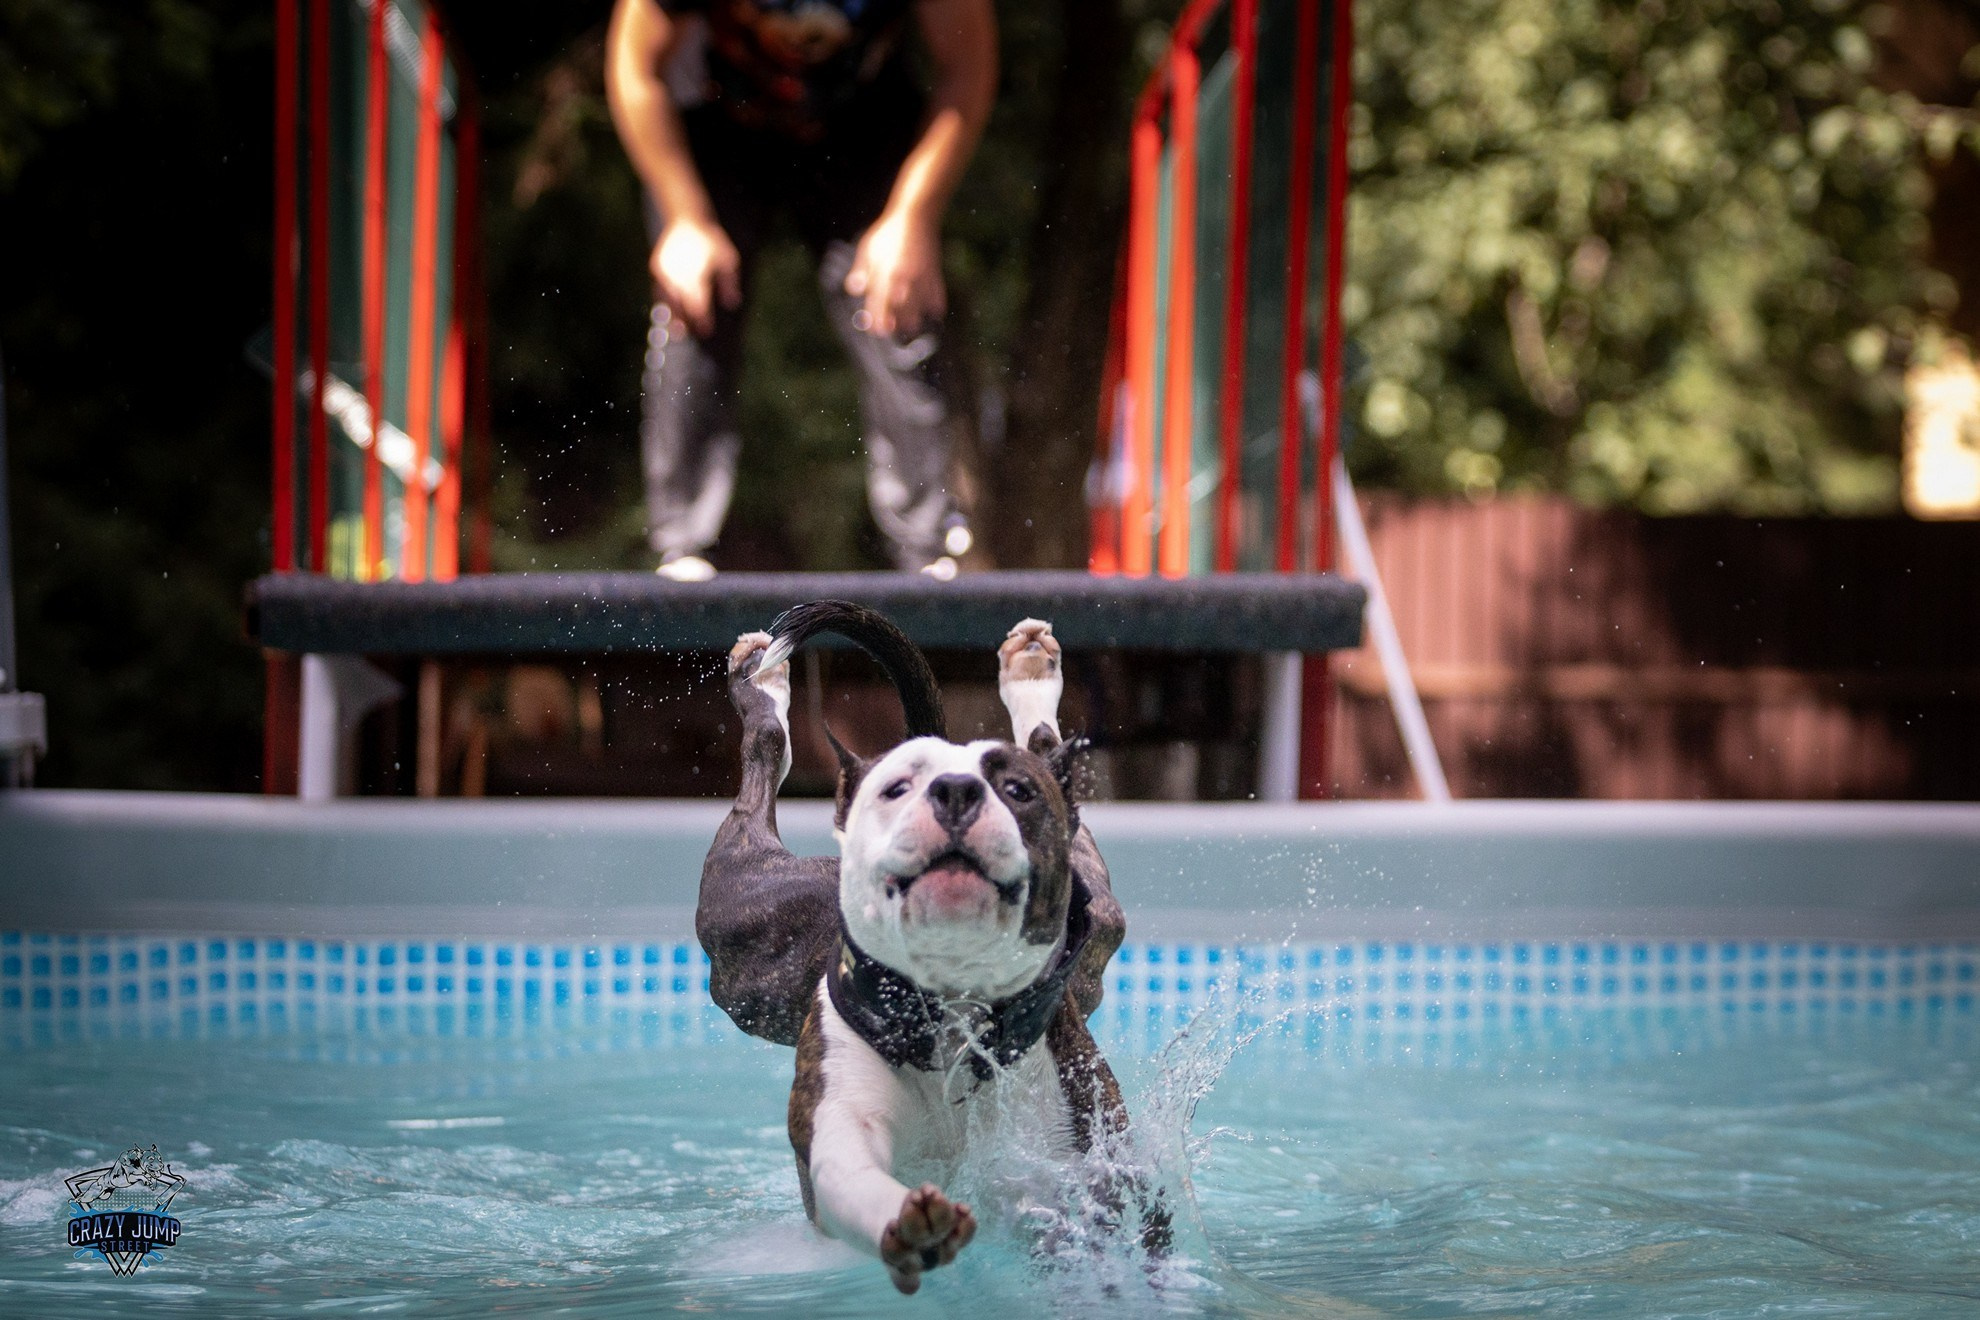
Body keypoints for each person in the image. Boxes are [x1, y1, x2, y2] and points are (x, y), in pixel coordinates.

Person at [606, 0, 994, 581]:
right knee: (695, 290)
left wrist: (914, 216)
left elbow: (968, 67)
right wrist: (685, 218)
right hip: (716, 118)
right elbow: (634, 66)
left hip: (862, 119)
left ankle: (931, 551)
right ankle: (679, 551)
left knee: (894, 286)